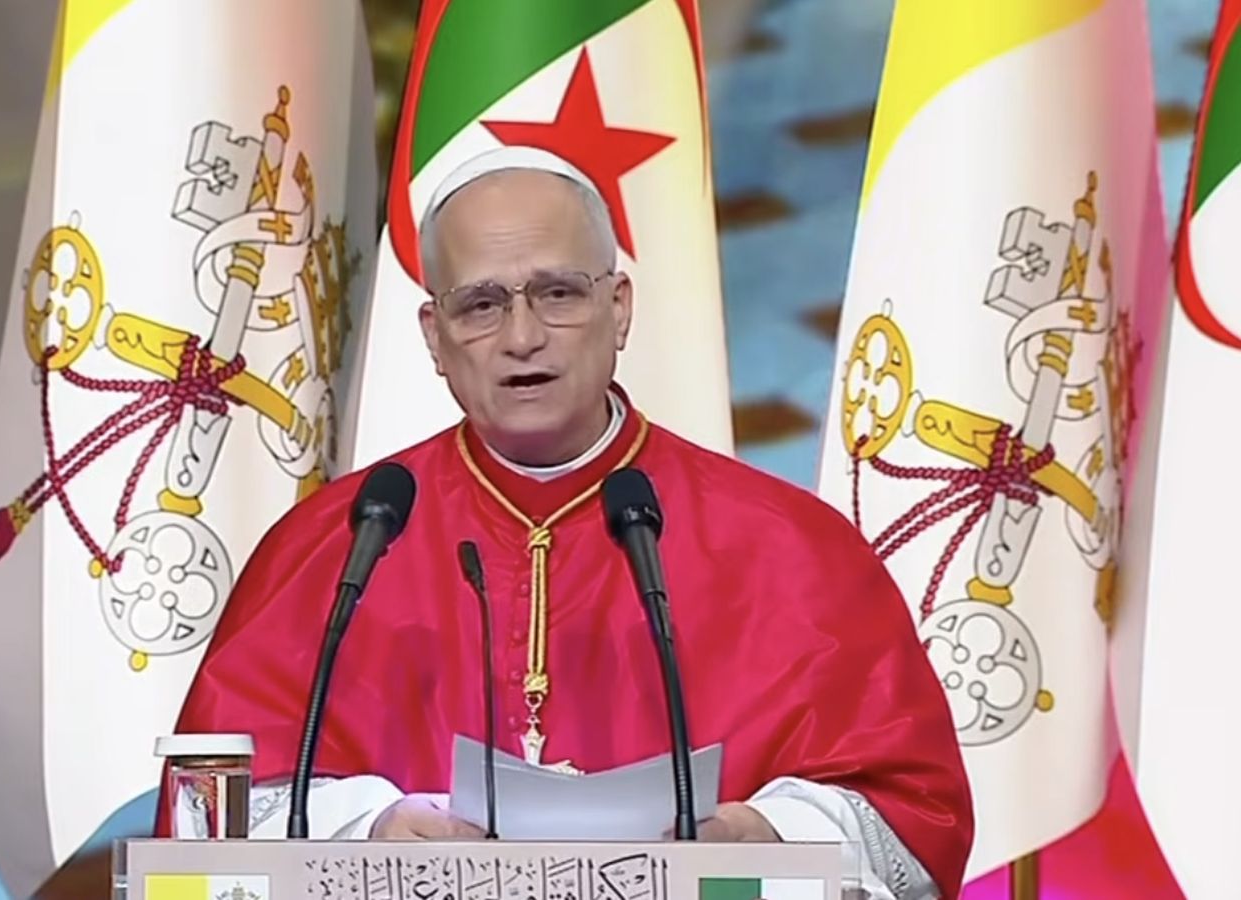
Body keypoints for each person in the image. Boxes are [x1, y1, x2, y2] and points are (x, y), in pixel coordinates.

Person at [156, 146, 974, 900]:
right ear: (435, 338)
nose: (522, 337)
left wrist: (757, 838)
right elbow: (207, 827)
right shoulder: (335, 546)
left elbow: (909, 820)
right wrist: (367, 831)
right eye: (480, 304)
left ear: (618, 307)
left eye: (557, 293)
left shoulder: (788, 544)